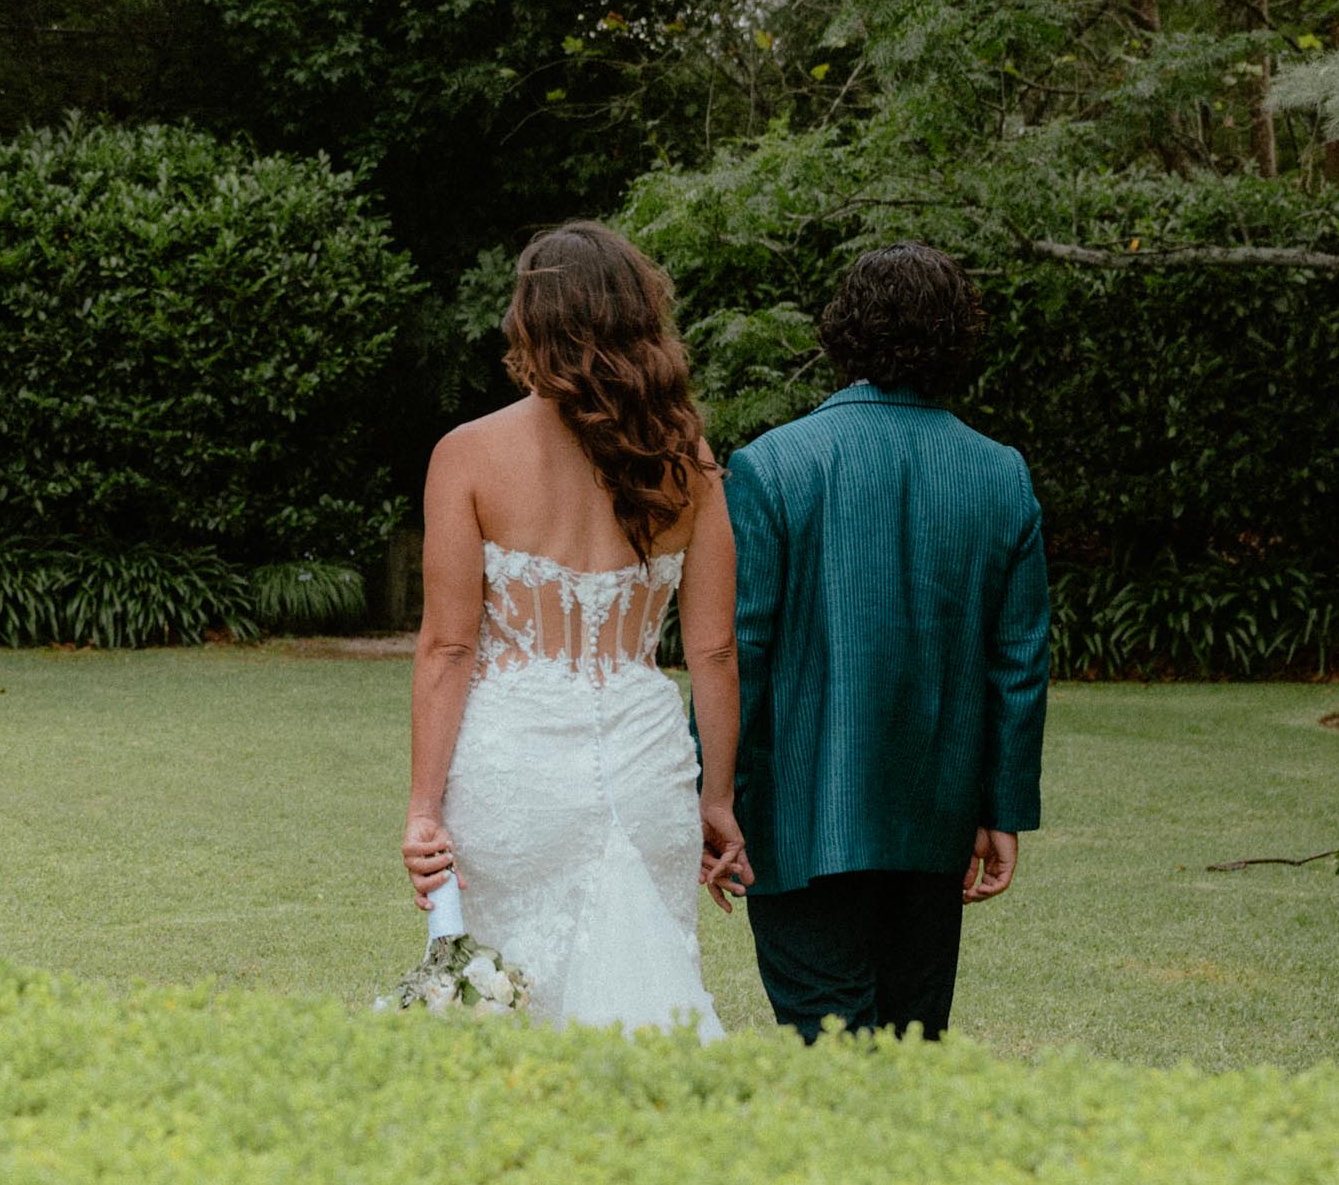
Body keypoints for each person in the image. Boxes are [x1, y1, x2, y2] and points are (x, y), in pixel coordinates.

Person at [401, 222, 748, 1039]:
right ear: (640, 318)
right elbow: (713, 651)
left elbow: (449, 645)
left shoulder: (468, 454)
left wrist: (424, 808)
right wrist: (718, 798)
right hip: (646, 768)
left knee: (514, 1004)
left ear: (530, 321)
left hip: (512, 773)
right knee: (648, 995)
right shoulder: (686, 459)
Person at [725, 242, 1051, 1043]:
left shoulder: (771, 466)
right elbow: (1019, 665)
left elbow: (739, 652)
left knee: (833, 1057)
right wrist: (1000, 809)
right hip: (931, 828)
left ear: (843, 332)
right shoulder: (999, 473)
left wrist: (715, 797)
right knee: (908, 1055)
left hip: (798, 822)